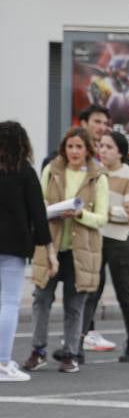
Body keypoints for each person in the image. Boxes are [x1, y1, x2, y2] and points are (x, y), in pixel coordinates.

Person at [22, 127, 109, 374]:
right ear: (64, 148)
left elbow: (102, 217)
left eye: (79, 147)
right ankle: (37, 351)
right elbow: (37, 203)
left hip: (81, 250)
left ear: (87, 149)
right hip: (50, 245)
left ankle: (71, 353)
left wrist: (81, 214)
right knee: (41, 298)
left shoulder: (97, 176)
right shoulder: (52, 170)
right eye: (70, 146)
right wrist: (49, 208)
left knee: (75, 303)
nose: (74, 151)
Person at [81, 131, 129, 362]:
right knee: (90, 291)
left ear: (120, 152)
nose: (103, 150)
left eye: (108, 146)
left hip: (122, 241)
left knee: (124, 293)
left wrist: (101, 213)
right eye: (101, 145)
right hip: (97, 238)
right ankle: (78, 343)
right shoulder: (95, 173)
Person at [0, 122, 53, 382]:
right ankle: (2, 361)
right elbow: (38, 215)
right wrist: (50, 250)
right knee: (9, 302)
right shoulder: (25, 172)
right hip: (14, 246)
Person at [42, 104, 110, 171]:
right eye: (97, 122)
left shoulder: (107, 155)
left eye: (105, 123)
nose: (102, 128)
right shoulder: (55, 159)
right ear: (84, 124)